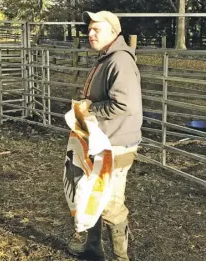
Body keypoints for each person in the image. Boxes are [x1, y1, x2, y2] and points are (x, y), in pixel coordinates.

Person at [66, 10, 143, 261]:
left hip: (117, 144)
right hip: (104, 140)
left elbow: (124, 105)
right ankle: (93, 249)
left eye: (96, 29)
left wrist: (90, 109)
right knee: (94, 196)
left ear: (113, 31)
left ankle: (121, 258)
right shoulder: (106, 58)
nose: (90, 33)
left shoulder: (118, 61)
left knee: (109, 203)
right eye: (89, 29)